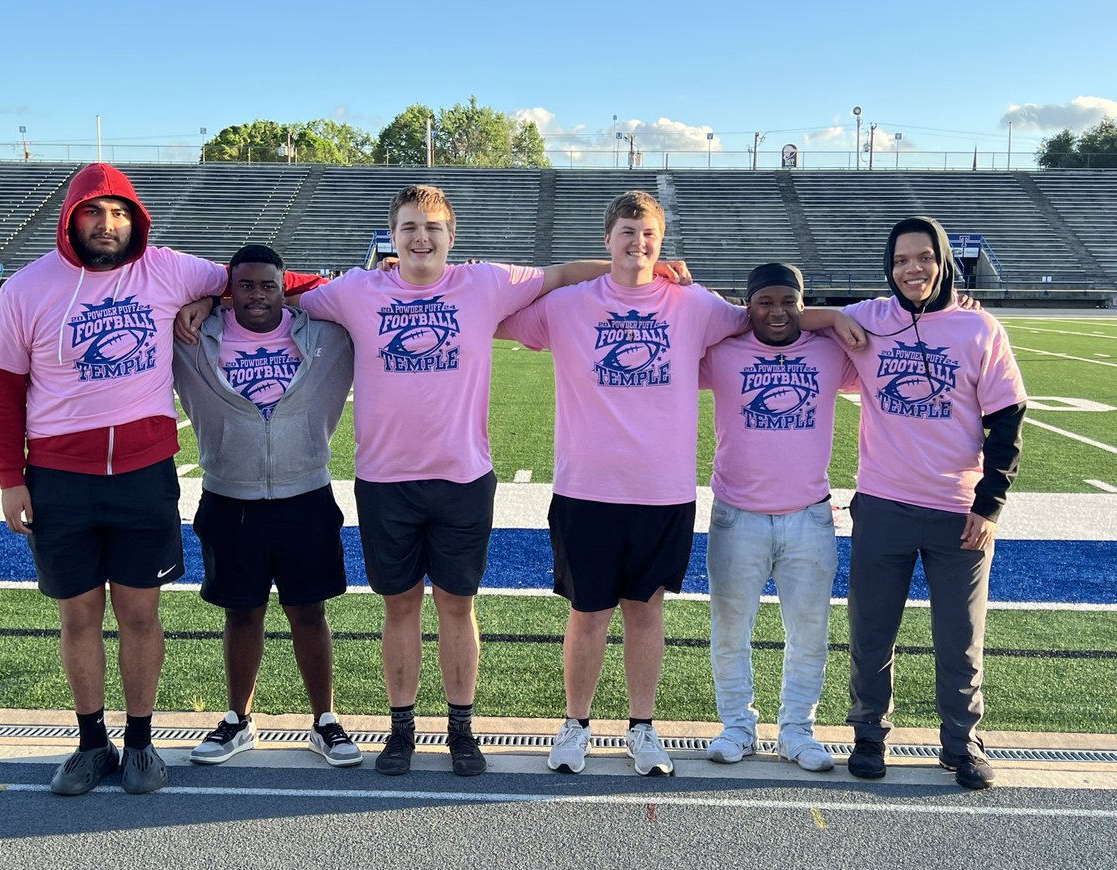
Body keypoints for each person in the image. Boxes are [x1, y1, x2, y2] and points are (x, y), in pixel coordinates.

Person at [175, 183, 690, 777]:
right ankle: (401, 730)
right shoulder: (357, 290)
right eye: (410, 228)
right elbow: (271, 294)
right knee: (399, 609)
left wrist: (644, 263)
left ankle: (460, 728)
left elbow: (561, 272)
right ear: (391, 239)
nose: (422, 238)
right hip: (385, 478)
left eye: (433, 228)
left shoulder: (485, 282)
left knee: (456, 605)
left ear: (452, 236)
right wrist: (210, 299)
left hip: (463, 476)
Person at [500, 193, 864, 777]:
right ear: (607, 238)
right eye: (626, 233)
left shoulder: (694, 304)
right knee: (588, 613)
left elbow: (766, 317)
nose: (637, 244)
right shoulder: (567, 305)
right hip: (586, 488)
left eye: (648, 235)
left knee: (646, 612)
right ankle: (577, 726)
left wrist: (826, 315)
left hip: (662, 492)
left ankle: (642, 729)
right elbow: (485, 316)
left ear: (661, 242)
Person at [0, 163, 237, 795]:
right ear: (72, 217)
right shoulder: (27, 288)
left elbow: (254, 278)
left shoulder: (169, 269)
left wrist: (209, 299)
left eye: (119, 212)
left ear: (136, 218)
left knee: (141, 613)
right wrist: (11, 479)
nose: (107, 225)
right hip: (58, 480)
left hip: (143, 475)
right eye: (95, 212)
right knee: (78, 616)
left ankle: (143, 743)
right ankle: (92, 743)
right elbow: (5, 391)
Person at [840, 216, 1026, 790]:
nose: (911, 270)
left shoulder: (980, 329)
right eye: (900, 261)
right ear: (887, 267)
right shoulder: (872, 317)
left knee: (959, 637)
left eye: (923, 258)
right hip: (882, 501)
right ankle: (869, 732)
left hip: (957, 509)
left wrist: (989, 506)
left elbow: (1007, 422)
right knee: (871, 630)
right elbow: (805, 320)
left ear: (944, 260)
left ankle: (960, 740)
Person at [172, 244, 360, 768]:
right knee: (242, 611)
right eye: (245, 286)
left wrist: (217, 294)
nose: (257, 296)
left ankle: (325, 719)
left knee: (309, 611)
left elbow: (343, 291)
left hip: (306, 494)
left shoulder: (327, 334)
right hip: (230, 495)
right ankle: (238, 720)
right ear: (229, 290)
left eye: (269, 286)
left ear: (285, 287)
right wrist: (206, 300)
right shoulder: (190, 336)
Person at [699, 263, 858, 773]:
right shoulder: (722, 349)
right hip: (736, 514)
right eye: (765, 301)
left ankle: (797, 730)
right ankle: (737, 727)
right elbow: (686, 327)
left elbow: (883, 329)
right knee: (729, 629)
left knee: (809, 631)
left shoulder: (831, 350)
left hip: (809, 515)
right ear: (747, 304)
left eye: (789, 301)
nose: (777, 311)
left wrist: (827, 317)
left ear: (803, 304)